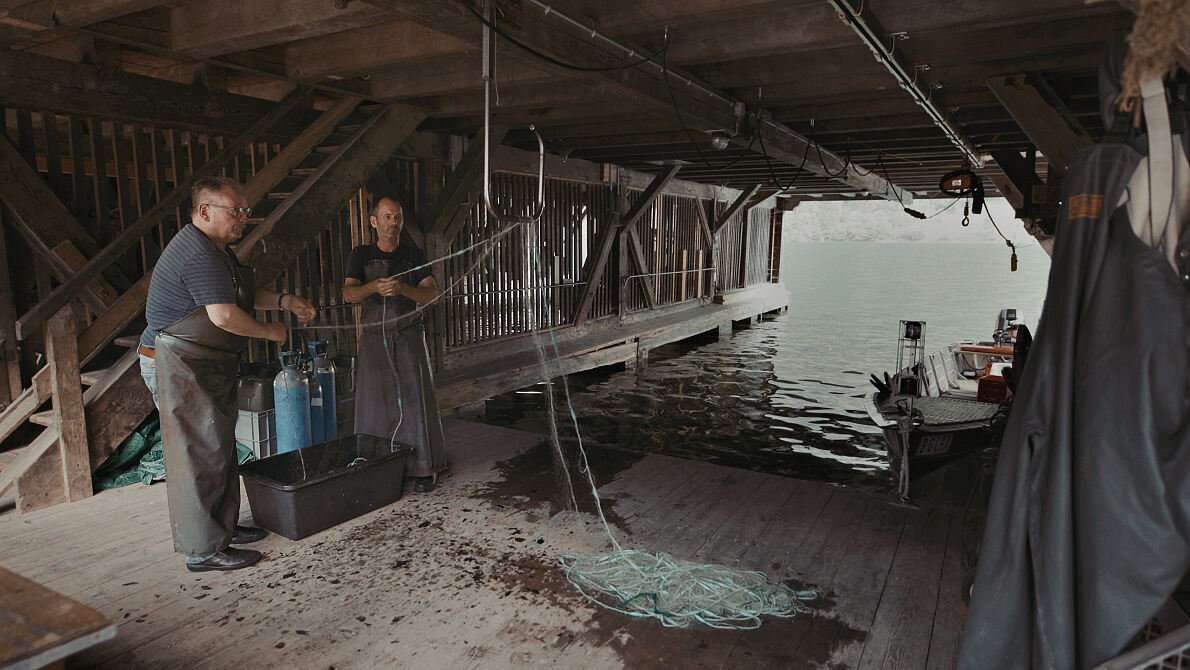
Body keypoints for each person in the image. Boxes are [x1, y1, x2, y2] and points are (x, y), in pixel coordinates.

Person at [139, 176, 316, 572]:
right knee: (197, 455)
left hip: (200, 362)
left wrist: (285, 301)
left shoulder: (216, 251)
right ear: (204, 212)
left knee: (217, 447)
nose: (243, 219)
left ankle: (224, 527)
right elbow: (224, 315)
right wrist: (270, 331)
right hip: (175, 363)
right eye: (235, 211)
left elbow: (237, 294)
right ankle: (203, 550)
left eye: (245, 211)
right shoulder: (197, 254)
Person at [343, 196, 447, 492]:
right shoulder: (360, 255)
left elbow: (432, 295)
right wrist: (373, 287)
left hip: (409, 336)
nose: (393, 223)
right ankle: (374, 466)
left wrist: (404, 288)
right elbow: (348, 294)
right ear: (374, 221)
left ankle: (424, 467)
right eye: (387, 217)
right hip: (375, 340)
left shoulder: (414, 256)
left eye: (397, 217)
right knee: (374, 404)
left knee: (414, 400)